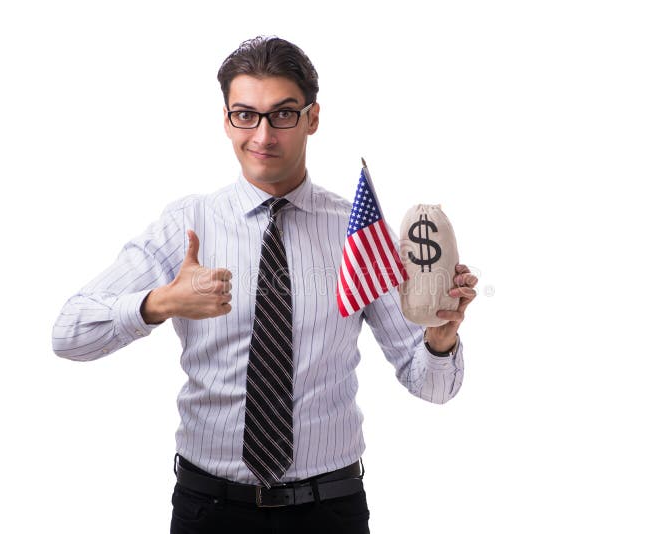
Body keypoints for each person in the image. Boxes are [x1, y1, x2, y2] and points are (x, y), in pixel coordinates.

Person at [52, 35, 477, 534]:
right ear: (227, 119)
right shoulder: (187, 224)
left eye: (282, 114)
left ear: (312, 119)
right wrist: (161, 302)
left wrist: (440, 336)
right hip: (209, 509)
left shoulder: (358, 233)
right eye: (245, 114)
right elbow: (68, 334)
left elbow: (432, 385)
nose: (262, 135)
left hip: (329, 509)